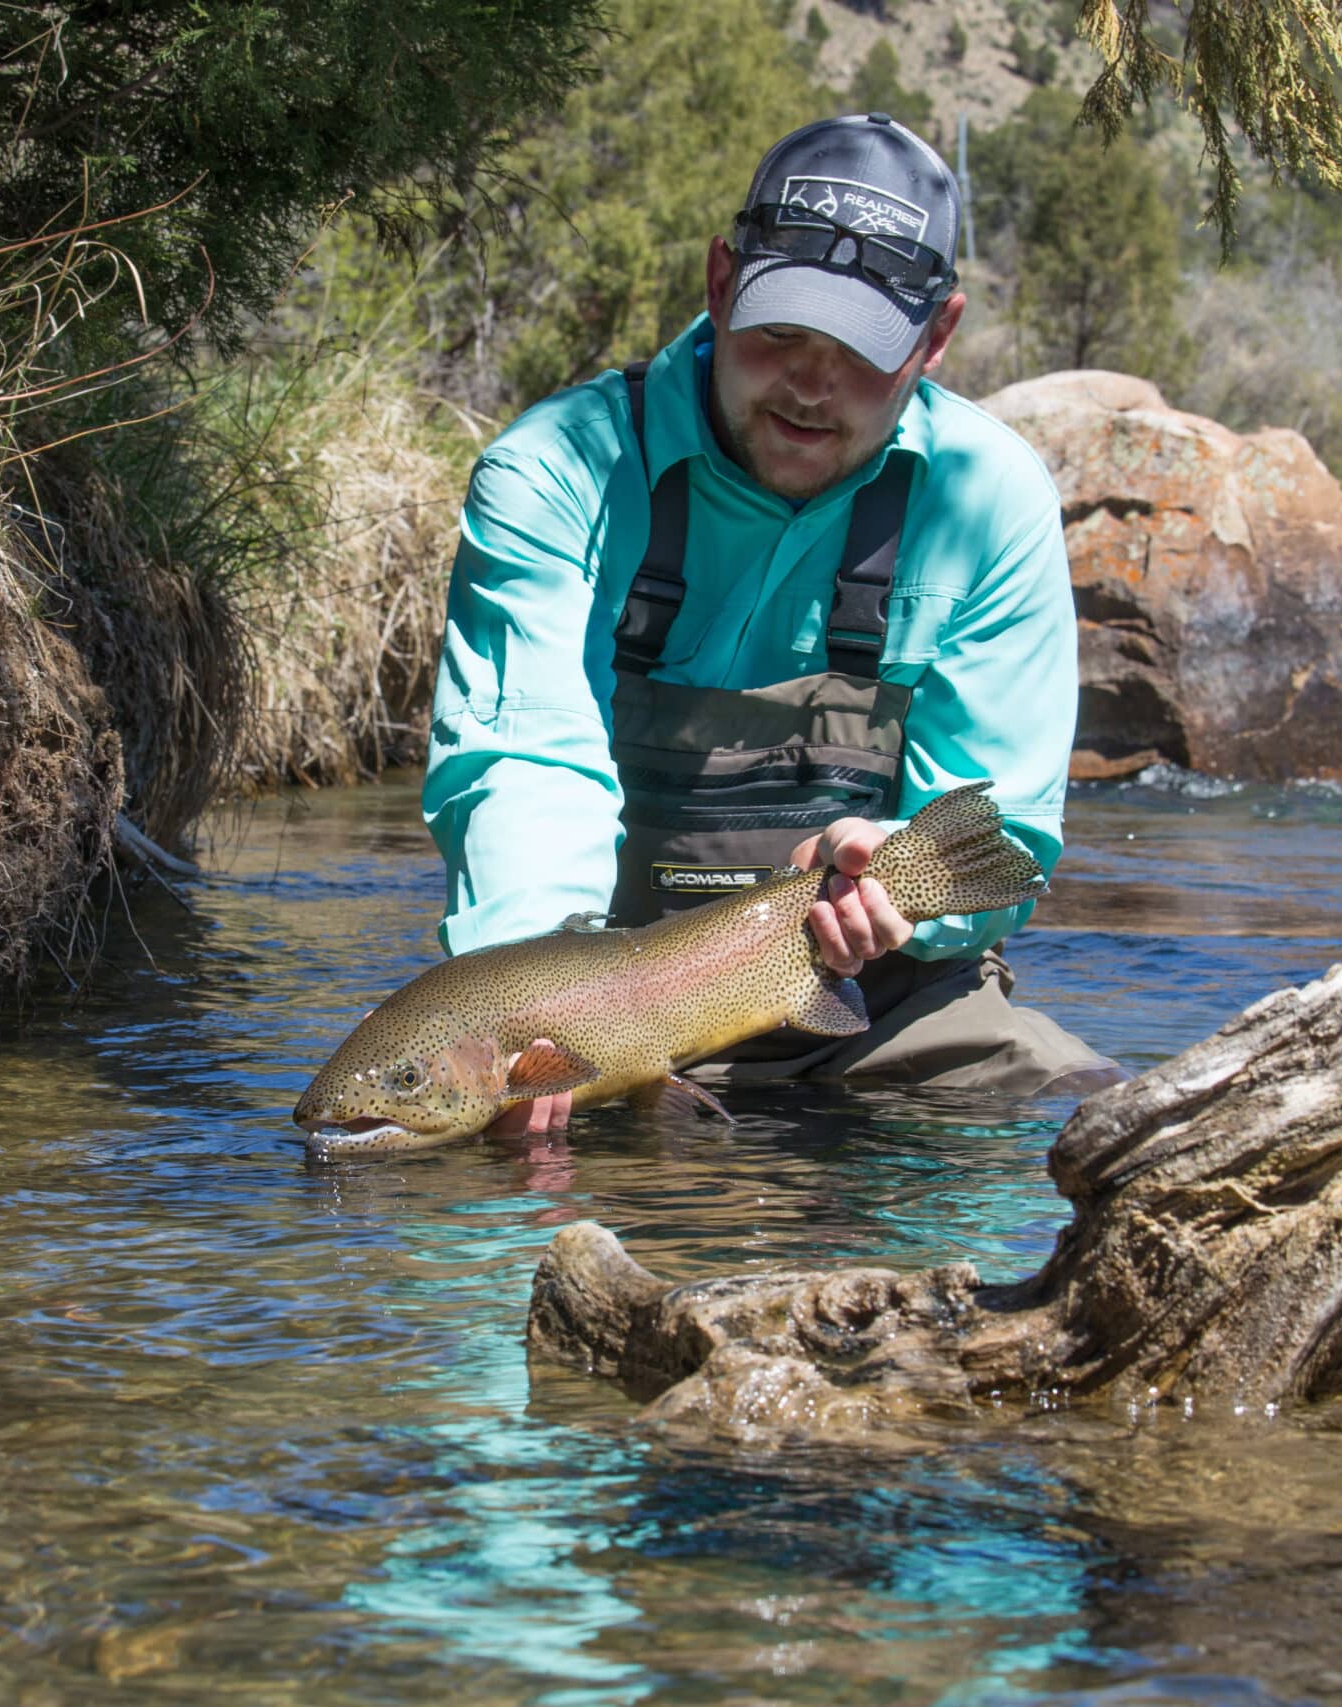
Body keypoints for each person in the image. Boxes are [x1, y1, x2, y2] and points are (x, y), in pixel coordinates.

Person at [422, 112, 1120, 1135]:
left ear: (936, 338)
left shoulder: (989, 498)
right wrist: (535, 1017)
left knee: (1091, 1136)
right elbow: (524, 763)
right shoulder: (555, 470)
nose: (808, 380)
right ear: (718, 284)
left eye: (859, 350)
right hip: (593, 1015)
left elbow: (996, 839)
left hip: (880, 1006)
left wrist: (894, 874)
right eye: (778, 330)